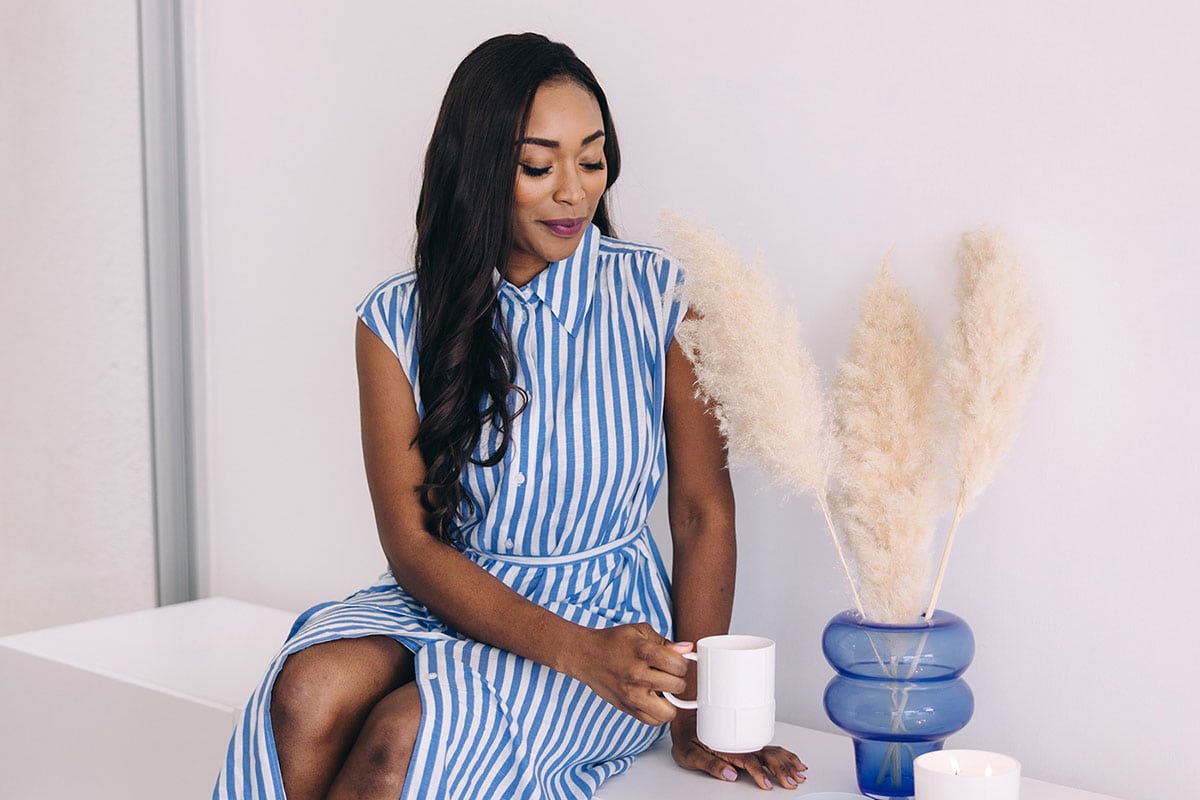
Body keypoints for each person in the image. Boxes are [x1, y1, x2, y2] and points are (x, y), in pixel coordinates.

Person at [214, 32, 807, 800]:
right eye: (538, 165)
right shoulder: (395, 320)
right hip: (448, 592)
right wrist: (570, 651)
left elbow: (701, 513)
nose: (573, 191)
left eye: (591, 161)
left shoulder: (661, 299)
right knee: (305, 694)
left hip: (607, 616)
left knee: (401, 739)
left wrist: (694, 707)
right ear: (483, 169)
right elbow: (412, 546)